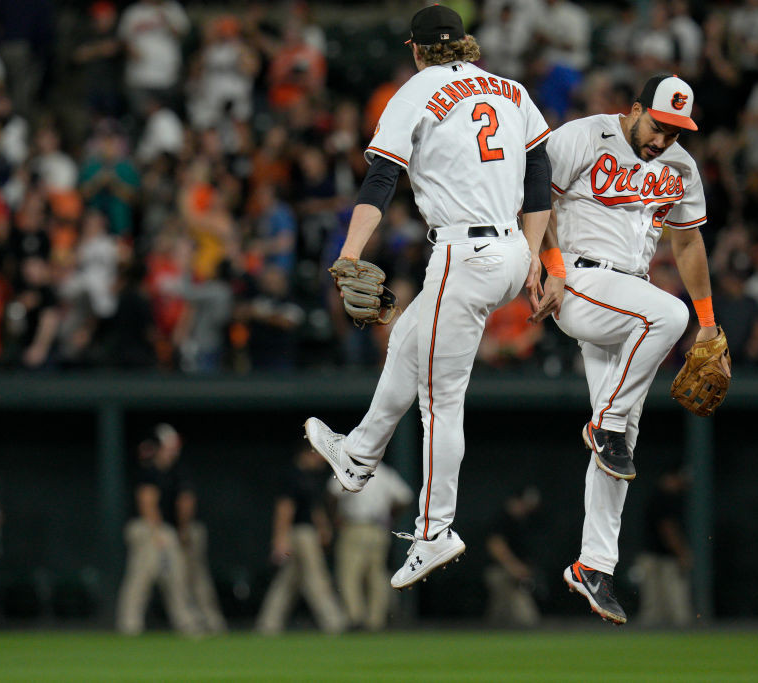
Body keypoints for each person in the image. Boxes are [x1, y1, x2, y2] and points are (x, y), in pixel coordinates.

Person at [304, 4, 552, 590]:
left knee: (442, 400)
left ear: (415, 49)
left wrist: (350, 252)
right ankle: (360, 453)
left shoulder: (415, 91)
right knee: (407, 345)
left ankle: (436, 529)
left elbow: (382, 177)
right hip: (513, 249)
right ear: (464, 44)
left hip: (464, 257)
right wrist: (540, 257)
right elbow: (538, 168)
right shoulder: (510, 89)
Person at [533, 74, 715, 624]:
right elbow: (532, 194)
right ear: (635, 109)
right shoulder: (584, 137)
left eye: (677, 130)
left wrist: (711, 324)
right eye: (659, 125)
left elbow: (686, 239)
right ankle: (605, 422)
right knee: (668, 313)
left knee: (623, 443)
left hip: (624, 300)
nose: (664, 139)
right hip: (580, 279)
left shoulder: (680, 166)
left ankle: (594, 566)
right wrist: (551, 267)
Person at [116, 424, 225, 635]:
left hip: (168, 531)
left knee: (176, 574)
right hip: (147, 528)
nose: (173, 449)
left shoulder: (177, 471)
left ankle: (186, 620)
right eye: (168, 445)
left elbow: (186, 502)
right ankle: (132, 624)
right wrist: (157, 533)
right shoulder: (149, 470)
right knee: (143, 574)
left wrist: (181, 531)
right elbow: (147, 504)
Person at [256, 444, 346, 635]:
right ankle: (334, 622)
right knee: (316, 577)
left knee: (287, 582)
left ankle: (268, 624)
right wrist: (280, 538)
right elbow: (284, 509)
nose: (323, 459)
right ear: (310, 452)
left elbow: (314, 507)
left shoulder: (309, 476)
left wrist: (323, 528)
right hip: (299, 533)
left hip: (307, 532)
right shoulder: (293, 475)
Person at [327, 462, 413, 631]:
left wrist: (335, 517)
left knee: (349, 574)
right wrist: (391, 516)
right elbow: (405, 498)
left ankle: (355, 618)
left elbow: (332, 494)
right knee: (377, 574)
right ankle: (375, 621)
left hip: (354, 527)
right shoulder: (385, 472)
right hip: (379, 529)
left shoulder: (349, 468)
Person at [633, 463, 694, 627]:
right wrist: (682, 553)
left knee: (653, 606)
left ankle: (651, 644)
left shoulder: (656, 495)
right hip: (665, 558)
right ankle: (682, 641)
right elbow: (668, 529)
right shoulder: (666, 498)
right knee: (674, 605)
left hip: (651, 556)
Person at [484, 485, 542, 627]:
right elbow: (496, 546)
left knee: (506, 614)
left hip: (517, 576)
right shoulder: (502, 519)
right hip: (500, 572)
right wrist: (515, 568)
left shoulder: (525, 522)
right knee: (522, 618)